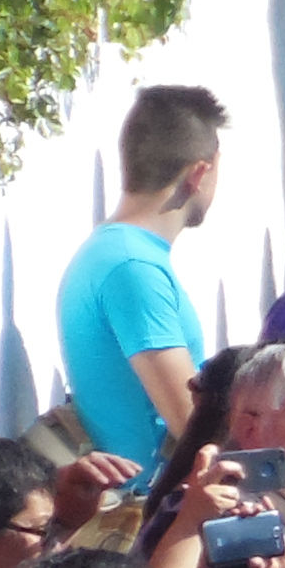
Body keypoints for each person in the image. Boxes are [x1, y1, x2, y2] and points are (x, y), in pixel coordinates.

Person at [55, 87, 222, 471]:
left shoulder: (116, 253)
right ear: (200, 173)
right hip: (142, 511)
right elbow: (191, 422)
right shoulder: (133, 267)